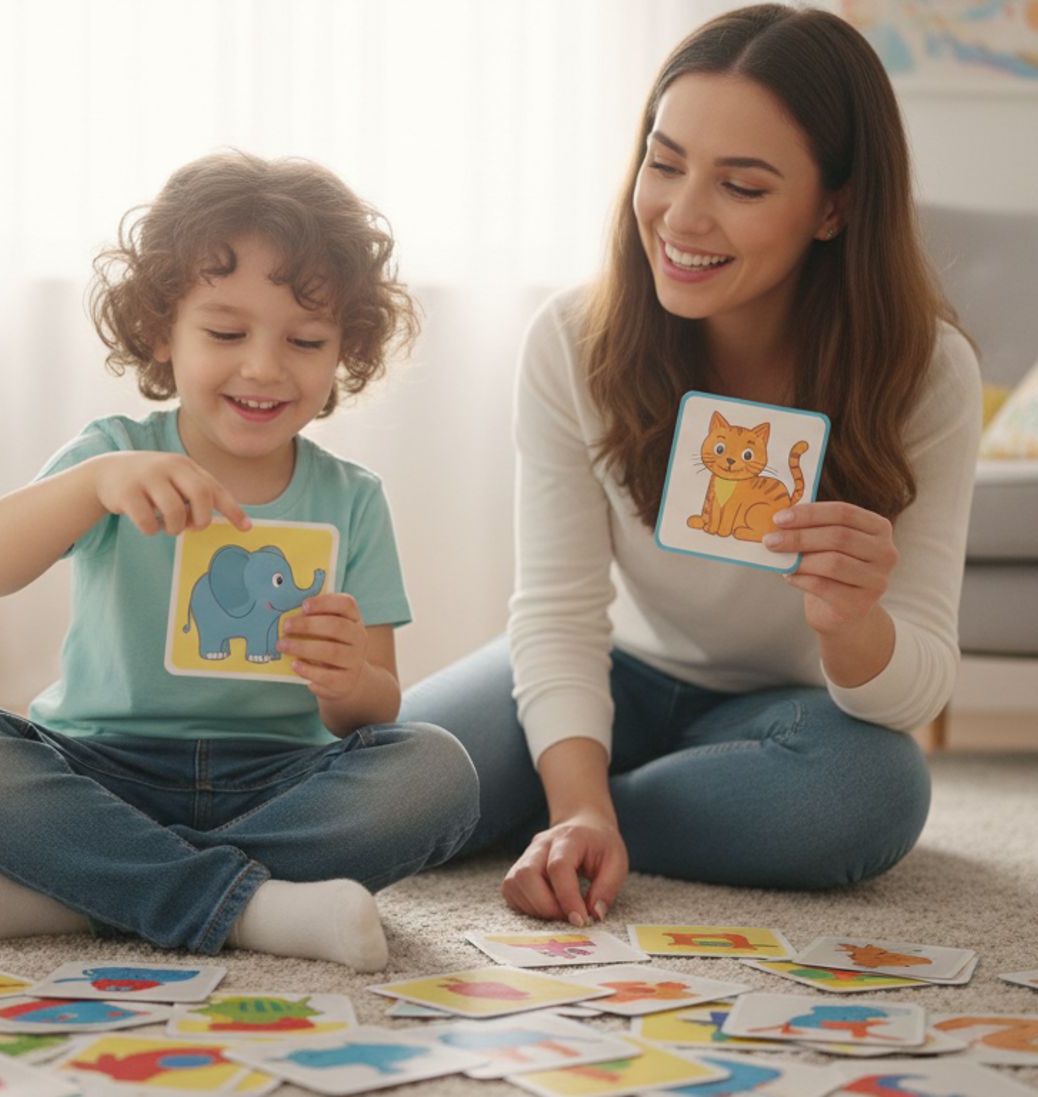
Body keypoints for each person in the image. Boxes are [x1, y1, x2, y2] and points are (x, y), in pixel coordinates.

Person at [400, 4, 981, 926]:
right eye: (663, 162)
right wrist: (577, 793)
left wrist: (852, 624)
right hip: (612, 669)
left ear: (835, 206)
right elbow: (555, 613)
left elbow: (919, 683)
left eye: (742, 187)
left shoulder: (928, 375)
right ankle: (572, 800)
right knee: (391, 774)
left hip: (789, 716)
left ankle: (548, 805)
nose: (680, 214)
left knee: (868, 795)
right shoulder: (572, 339)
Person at [0, 150, 477, 971]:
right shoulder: (113, 456)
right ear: (160, 329)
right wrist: (94, 485)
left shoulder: (353, 497)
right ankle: (251, 906)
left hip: (280, 776)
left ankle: (87, 890)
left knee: (438, 772)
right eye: (226, 331)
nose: (264, 366)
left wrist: (349, 681)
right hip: (99, 767)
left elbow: (375, 709)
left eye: (306, 339)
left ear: (344, 350)